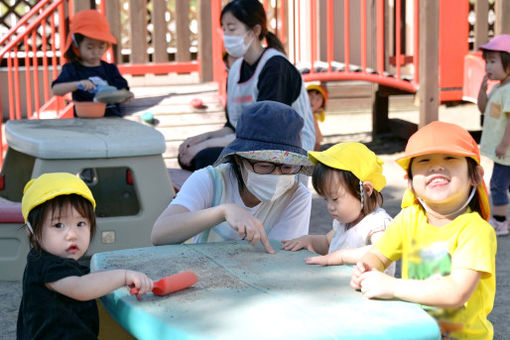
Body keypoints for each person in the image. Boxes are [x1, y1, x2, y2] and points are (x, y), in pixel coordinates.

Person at [351, 121, 496, 340]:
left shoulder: (475, 231)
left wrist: (392, 286)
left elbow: (456, 292)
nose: (436, 167)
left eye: (450, 158)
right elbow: (378, 254)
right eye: (424, 161)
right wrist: (366, 268)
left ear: (475, 175)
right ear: (409, 182)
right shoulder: (409, 219)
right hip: (419, 333)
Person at [152, 101, 313, 254]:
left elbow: (281, 256)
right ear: (238, 159)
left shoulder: (297, 196)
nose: (277, 176)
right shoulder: (210, 180)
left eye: (287, 167)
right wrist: (222, 212)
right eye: (264, 166)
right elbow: (159, 234)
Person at [178, 0, 315, 171]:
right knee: (187, 154)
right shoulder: (235, 69)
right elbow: (232, 126)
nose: (226, 35)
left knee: (205, 157)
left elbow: (265, 133)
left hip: (283, 149)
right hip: (252, 146)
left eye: (232, 28)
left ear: (255, 31)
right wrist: (200, 140)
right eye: (224, 28)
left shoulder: (276, 68)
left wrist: (205, 147)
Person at [17, 172, 153, 339]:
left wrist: (99, 277)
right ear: (31, 232)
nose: (72, 234)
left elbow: (78, 280)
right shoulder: (45, 264)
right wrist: (123, 276)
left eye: (80, 223)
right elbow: (80, 288)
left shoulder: (51, 260)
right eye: (58, 225)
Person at [281, 142, 395, 275]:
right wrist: (308, 240)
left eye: (335, 199)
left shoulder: (377, 223)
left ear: (366, 190)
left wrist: (341, 257)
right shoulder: (343, 222)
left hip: (367, 292)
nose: (330, 206)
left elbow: (383, 250)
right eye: (326, 199)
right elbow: (327, 242)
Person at [52, 10, 133, 117]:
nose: (96, 52)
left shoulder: (110, 69)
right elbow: (56, 90)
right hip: (85, 124)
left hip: (113, 122)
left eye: (101, 47)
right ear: (76, 45)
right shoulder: (73, 69)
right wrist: (77, 84)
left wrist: (126, 96)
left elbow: (123, 89)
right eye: (90, 47)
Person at [477, 34, 510, 236]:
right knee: (504, 184)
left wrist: (504, 145)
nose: (488, 67)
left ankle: (499, 222)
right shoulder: (499, 87)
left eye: (493, 61)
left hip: (505, 152)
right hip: (504, 152)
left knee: (497, 186)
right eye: (487, 62)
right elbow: (483, 108)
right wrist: (482, 91)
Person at [307, 84, 328, 151]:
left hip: (315, 141)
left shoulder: (314, 115)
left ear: (321, 105)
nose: (313, 101)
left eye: (318, 99)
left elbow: (322, 118)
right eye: (310, 96)